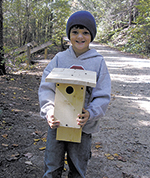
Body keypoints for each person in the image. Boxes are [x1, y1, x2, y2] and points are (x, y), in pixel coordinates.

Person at [38, 11, 111, 178]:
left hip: (83, 127)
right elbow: (46, 87)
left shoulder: (98, 62)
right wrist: (49, 110)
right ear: (69, 35)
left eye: (85, 32)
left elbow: (103, 93)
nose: (80, 36)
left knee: (78, 168)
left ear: (91, 36)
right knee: (52, 166)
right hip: (57, 124)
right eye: (75, 32)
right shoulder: (59, 59)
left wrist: (91, 113)